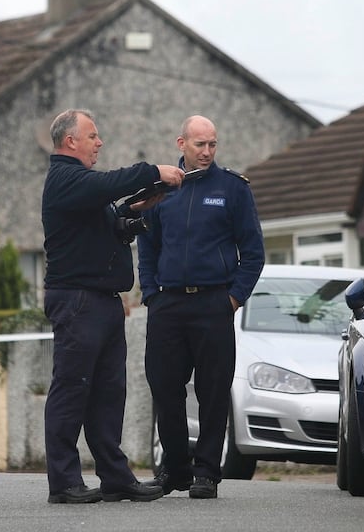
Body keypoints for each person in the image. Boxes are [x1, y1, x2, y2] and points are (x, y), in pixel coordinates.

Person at [41, 108, 185, 504]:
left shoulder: (82, 188)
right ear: (70, 141)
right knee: (72, 390)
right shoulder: (67, 179)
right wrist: (154, 170)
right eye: (92, 136)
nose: (99, 142)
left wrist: (133, 210)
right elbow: (109, 185)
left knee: (108, 393)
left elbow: (108, 218)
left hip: (102, 302)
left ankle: (115, 477)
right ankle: (65, 483)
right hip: (77, 301)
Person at [136, 115, 264, 499]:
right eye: (199, 145)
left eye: (212, 144)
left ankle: (207, 472)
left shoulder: (233, 189)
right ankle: (175, 470)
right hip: (168, 304)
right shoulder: (161, 189)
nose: (207, 152)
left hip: (214, 303)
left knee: (213, 390)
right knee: (165, 387)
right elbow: (147, 246)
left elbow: (253, 253)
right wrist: (151, 294)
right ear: (181, 144)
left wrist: (232, 299)